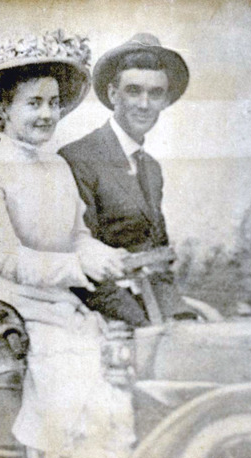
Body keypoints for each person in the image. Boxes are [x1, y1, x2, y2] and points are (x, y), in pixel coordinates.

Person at [0, 31, 136, 458]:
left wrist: (105, 255)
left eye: (53, 102)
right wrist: (79, 266)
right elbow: (3, 257)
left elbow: (77, 236)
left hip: (68, 306)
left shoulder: (57, 165)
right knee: (68, 394)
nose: (47, 114)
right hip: (22, 312)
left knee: (120, 380)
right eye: (33, 103)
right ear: (2, 108)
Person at [59, 33, 195, 325]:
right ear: (112, 94)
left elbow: (158, 259)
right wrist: (144, 325)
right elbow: (80, 262)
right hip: (102, 306)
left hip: (150, 299)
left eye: (155, 93)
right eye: (134, 91)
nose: (144, 104)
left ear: (165, 100)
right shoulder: (78, 158)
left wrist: (178, 314)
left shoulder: (152, 169)